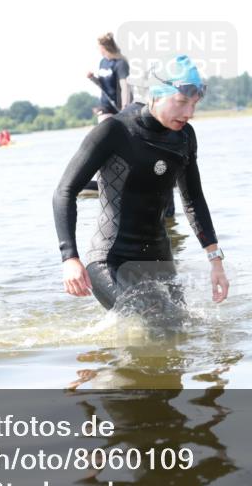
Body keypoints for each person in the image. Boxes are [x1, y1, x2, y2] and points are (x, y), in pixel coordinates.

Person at [53, 54, 228, 311]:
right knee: (149, 324)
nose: (189, 113)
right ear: (156, 94)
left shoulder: (184, 137)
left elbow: (193, 200)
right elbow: (64, 192)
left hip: (159, 258)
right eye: (180, 102)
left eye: (194, 103)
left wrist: (215, 261)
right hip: (110, 259)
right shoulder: (115, 131)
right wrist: (70, 258)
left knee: (181, 331)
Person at [87, 32, 131, 117]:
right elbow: (101, 84)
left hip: (119, 106)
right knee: (103, 124)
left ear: (103, 47)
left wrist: (125, 107)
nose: (97, 49)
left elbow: (125, 87)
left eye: (98, 47)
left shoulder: (120, 63)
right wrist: (92, 78)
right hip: (105, 106)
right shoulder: (102, 62)